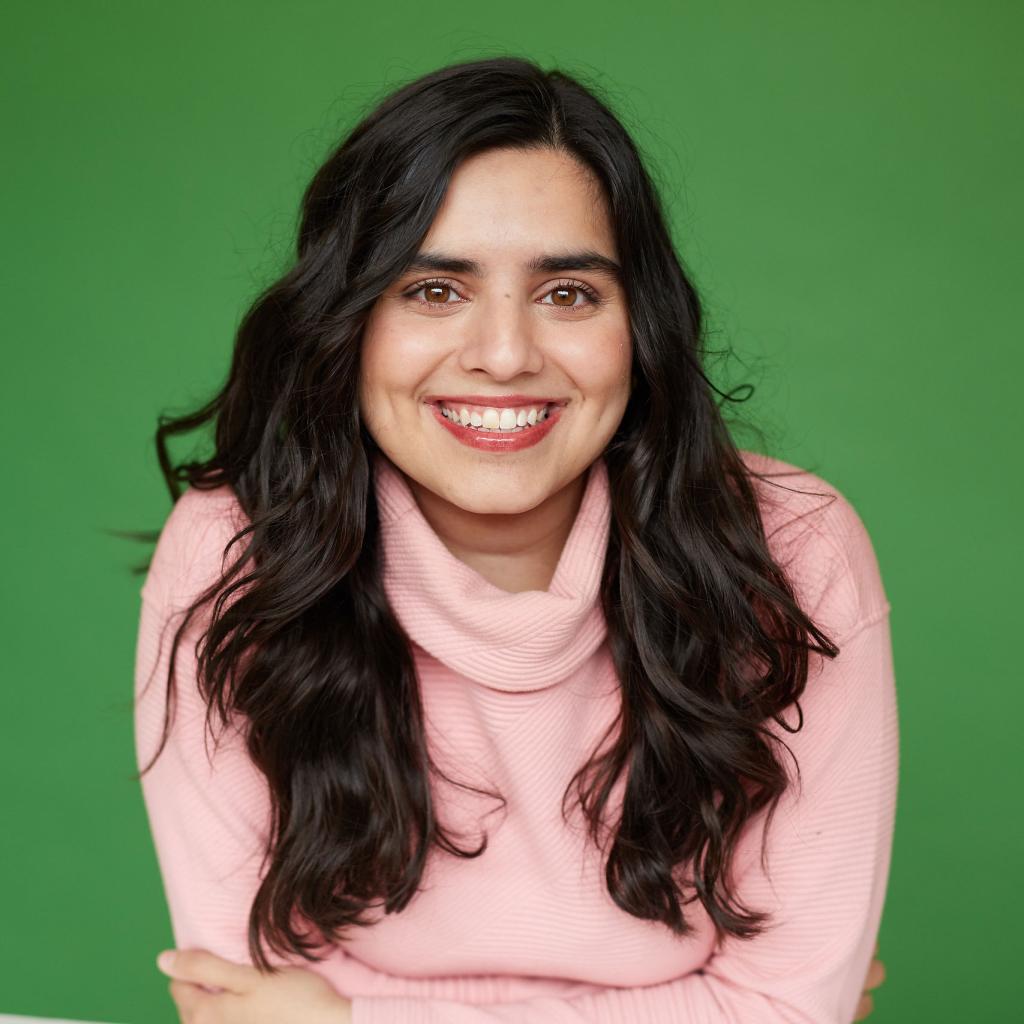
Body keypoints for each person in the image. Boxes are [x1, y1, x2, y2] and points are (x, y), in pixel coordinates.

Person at [133, 55, 896, 1023]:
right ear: (346, 323)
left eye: (567, 293)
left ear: (640, 326)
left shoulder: (791, 550)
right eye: (432, 291)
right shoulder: (235, 549)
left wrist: (352, 1018)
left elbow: (789, 1007)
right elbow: (241, 997)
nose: (503, 355)